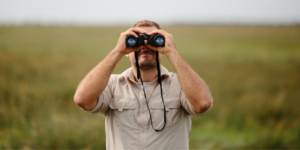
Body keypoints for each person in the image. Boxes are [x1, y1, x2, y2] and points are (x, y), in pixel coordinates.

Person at [74, 20, 213, 150]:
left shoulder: (180, 84)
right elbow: (82, 100)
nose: (145, 45)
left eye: (154, 39)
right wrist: (117, 51)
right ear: (128, 52)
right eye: (138, 39)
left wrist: (172, 52)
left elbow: (203, 104)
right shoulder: (112, 85)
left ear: (163, 50)